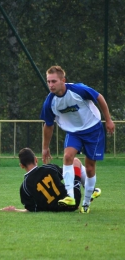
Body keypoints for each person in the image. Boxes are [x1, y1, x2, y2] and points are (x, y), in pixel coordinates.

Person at [40, 65, 114, 213]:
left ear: (63, 80)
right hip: (74, 132)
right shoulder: (50, 102)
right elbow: (48, 125)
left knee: (90, 167)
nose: (50, 85)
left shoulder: (78, 90)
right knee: (67, 156)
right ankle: (70, 196)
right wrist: (45, 147)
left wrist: (109, 120)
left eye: (54, 81)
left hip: (93, 130)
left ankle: (86, 204)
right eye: (48, 81)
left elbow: (99, 97)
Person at [1, 148, 101, 212]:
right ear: (36, 159)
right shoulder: (49, 168)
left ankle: (91, 191)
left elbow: (31, 209)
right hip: (73, 201)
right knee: (75, 161)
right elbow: (68, 174)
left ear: (22, 166)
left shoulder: (24, 187)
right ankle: (90, 190)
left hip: (55, 209)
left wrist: (15, 210)